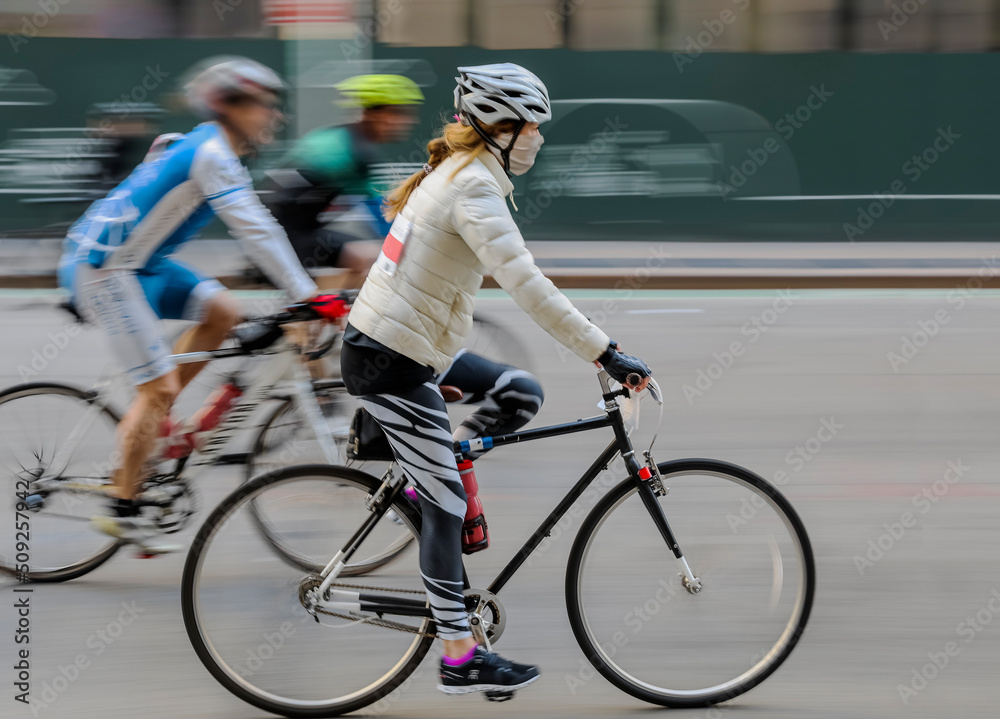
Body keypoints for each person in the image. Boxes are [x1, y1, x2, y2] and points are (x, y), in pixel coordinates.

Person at [340, 63, 652, 699]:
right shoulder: (473, 190)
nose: (538, 136)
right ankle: (458, 659)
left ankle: (426, 468)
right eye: (531, 124)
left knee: (519, 394)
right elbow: (528, 286)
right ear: (499, 127)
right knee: (449, 504)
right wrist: (606, 352)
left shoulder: (466, 173)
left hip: (411, 348)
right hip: (391, 358)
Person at [58, 58, 343, 555]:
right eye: (263, 106)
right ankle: (122, 510)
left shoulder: (202, 147)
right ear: (227, 107)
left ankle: (161, 430)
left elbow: (248, 220)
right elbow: (255, 229)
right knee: (159, 389)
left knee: (224, 312)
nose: (273, 117)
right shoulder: (210, 151)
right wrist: (307, 296)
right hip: (102, 271)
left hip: (141, 264)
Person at [262, 74, 424, 290]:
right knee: (377, 258)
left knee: (368, 258)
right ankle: (336, 317)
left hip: (284, 234)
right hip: (286, 240)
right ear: (379, 115)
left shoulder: (337, 137)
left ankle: (331, 315)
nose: (411, 121)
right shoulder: (357, 153)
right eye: (402, 113)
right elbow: (381, 217)